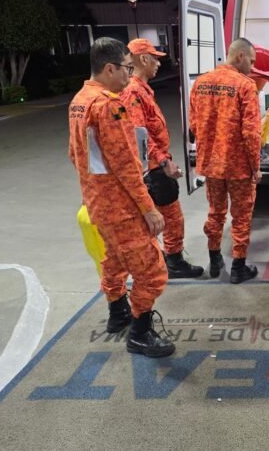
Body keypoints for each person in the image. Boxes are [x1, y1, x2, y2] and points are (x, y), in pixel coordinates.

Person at [68, 37, 175, 358]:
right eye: (127, 68)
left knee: (113, 260)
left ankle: (118, 313)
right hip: (121, 208)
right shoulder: (108, 105)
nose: (130, 75)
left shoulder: (79, 101)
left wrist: (93, 190)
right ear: (109, 68)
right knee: (153, 273)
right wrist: (148, 209)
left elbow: (75, 155)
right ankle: (140, 334)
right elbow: (127, 165)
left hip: (98, 203)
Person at [122, 38, 204, 279]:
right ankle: (172, 262)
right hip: (153, 169)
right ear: (143, 59)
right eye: (155, 59)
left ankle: (162, 260)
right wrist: (164, 162)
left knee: (162, 218)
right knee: (171, 218)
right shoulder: (134, 92)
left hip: (154, 166)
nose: (158, 64)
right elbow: (140, 135)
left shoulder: (141, 90)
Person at [189, 38, 262, 284]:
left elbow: (194, 125)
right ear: (240, 56)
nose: (252, 67)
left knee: (215, 212)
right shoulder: (245, 85)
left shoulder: (200, 83)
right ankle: (239, 268)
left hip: (211, 164)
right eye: (251, 60)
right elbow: (251, 132)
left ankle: (215, 260)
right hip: (238, 166)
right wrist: (255, 167)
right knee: (241, 216)